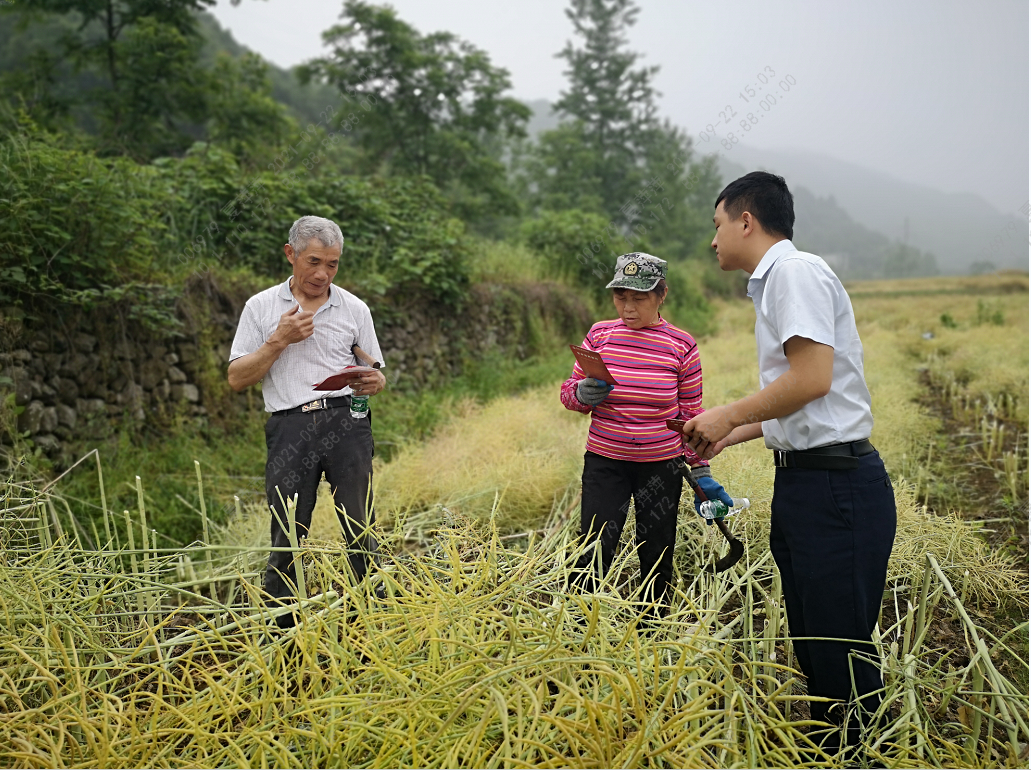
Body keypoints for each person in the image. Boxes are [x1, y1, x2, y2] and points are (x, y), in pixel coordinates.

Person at [679, 172, 896, 755]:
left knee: (838, 646)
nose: (713, 240)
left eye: (717, 225)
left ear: (746, 221)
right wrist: (732, 434)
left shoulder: (792, 273)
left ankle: (857, 755)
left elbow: (812, 378)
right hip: (810, 484)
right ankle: (838, 749)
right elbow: (799, 398)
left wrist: (725, 415)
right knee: (815, 638)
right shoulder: (775, 282)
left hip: (837, 488)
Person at [228, 215, 387, 627]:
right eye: (314, 261)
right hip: (289, 426)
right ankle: (282, 629)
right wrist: (279, 340)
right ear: (290, 254)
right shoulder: (261, 307)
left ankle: (371, 618)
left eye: (332, 264)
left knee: (359, 522)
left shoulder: (354, 308)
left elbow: (373, 367)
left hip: (346, 423)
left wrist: (375, 380)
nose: (322, 274)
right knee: (287, 530)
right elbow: (237, 378)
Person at [560, 252, 733, 620]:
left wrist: (700, 471)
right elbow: (569, 393)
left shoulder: (681, 345)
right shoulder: (599, 334)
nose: (628, 307)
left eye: (639, 298)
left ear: (661, 295)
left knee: (656, 548)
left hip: (661, 466)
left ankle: (652, 628)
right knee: (594, 546)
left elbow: (691, 415)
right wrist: (581, 394)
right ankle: (578, 627)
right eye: (621, 297)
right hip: (606, 463)